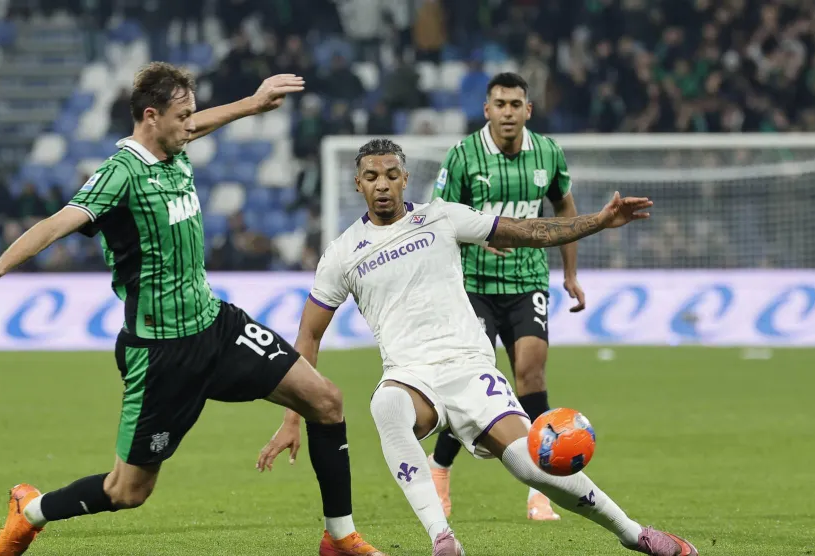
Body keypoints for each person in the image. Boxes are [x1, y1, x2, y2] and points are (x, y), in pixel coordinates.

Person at [0, 62, 383, 556]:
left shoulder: (174, 143)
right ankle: (30, 510)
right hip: (161, 355)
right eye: (183, 116)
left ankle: (339, 538)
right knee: (127, 491)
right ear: (151, 116)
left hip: (216, 326)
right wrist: (0, 266)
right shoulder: (119, 176)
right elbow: (58, 223)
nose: (192, 125)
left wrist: (254, 100)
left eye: (192, 115)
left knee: (326, 401)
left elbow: (200, 124)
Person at [257, 139, 697, 556]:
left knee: (531, 466)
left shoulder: (441, 216)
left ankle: (634, 534)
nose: (383, 184)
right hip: (411, 376)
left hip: (470, 368)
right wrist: (292, 416)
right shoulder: (342, 253)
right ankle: (442, 538)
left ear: (405, 178)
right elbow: (308, 337)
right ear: (358, 183)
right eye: (372, 176)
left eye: (392, 174)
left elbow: (526, 230)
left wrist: (598, 222)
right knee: (386, 405)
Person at [429, 71, 585, 520]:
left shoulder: (549, 153)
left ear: (528, 110)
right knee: (474, 383)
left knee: (531, 374)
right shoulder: (463, 155)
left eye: (516, 104)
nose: (508, 112)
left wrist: (570, 273)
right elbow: (437, 217)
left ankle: (542, 483)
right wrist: (478, 238)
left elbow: (565, 213)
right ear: (487, 110)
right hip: (474, 285)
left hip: (527, 280)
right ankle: (439, 466)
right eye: (500, 104)